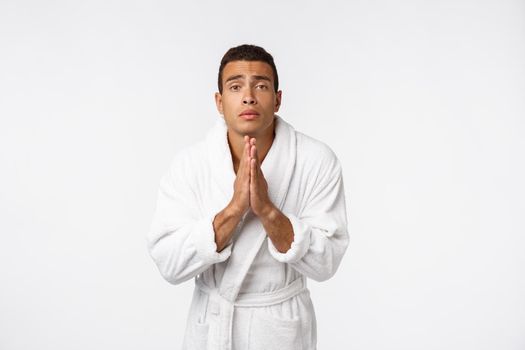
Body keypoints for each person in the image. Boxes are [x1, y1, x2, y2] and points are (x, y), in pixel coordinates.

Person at [146, 44, 350, 350]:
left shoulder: (317, 160)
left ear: (278, 99)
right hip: (211, 328)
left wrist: (268, 211)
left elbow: (326, 263)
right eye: (235, 86)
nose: (248, 96)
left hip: (279, 331)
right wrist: (234, 209)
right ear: (219, 101)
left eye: (262, 86)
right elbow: (169, 263)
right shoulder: (190, 164)